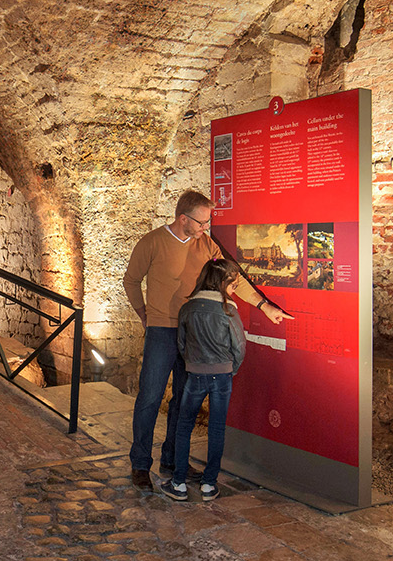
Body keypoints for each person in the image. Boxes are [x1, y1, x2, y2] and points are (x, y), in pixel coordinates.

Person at [123, 189, 292, 490]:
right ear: (182, 219)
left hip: (195, 331)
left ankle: (173, 460)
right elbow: (131, 280)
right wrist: (143, 314)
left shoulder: (206, 244)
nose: (205, 228)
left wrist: (263, 305)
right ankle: (140, 464)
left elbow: (231, 278)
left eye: (207, 222)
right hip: (162, 329)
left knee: (183, 400)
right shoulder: (152, 242)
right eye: (201, 222)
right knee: (150, 397)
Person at [166, 259, 246, 503]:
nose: (234, 289)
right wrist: (230, 369)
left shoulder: (187, 308)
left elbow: (181, 343)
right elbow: (239, 346)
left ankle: (178, 482)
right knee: (217, 429)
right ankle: (209, 485)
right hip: (222, 375)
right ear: (222, 282)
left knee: (184, 426)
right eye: (233, 284)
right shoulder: (228, 310)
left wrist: (193, 363)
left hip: (195, 374)